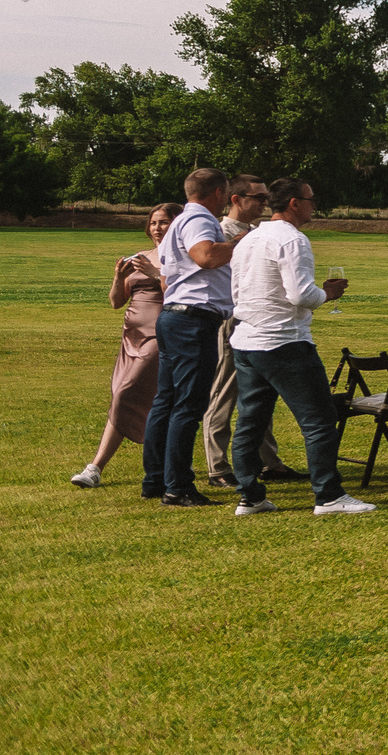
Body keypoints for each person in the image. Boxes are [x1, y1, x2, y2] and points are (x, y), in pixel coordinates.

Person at [224, 178, 371, 516]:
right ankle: (329, 496)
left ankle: (249, 496)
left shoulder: (249, 239)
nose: (314, 205)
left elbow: (237, 290)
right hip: (284, 341)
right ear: (294, 203)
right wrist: (328, 293)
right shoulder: (293, 240)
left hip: (247, 340)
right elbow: (301, 294)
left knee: (250, 422)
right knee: (319, 420)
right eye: (310, 199)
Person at [144, 167, 239, 507]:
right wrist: (240, 244)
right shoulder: (199, 219)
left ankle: (156, 480)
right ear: (218, 193)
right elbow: (206, 256)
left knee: (166, 401)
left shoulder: (178, 223)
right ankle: (179, 487)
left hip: (174, 316)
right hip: (194, 321)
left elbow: (167, 278)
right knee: (187, 405)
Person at [75, 203, 178, 489]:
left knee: (125, 394)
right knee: (126, 397)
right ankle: (168, 463)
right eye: (153, 222)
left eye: (164, 222)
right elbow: (116, 302)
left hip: (158, 335)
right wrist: (119, 277)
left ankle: (95, 467)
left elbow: (180, 293)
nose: (157, 228)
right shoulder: (138, 257)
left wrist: (156, 273)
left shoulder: (181, 257)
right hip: (130, 336)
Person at [202, 173, 287, 490]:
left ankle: (269, 461)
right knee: (225, 392)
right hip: (233, 319)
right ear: (236, 199)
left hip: (260, 321)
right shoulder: (221, 233)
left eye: (267, 197)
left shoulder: (257, 232)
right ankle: (217, 466)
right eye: (259, 197)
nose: (266, 203)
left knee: (260, 393)